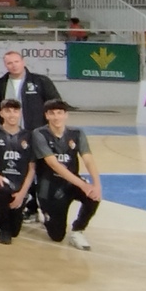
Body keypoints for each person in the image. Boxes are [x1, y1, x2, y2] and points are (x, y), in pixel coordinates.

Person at [32, 99, 101, 250]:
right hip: (50, 186)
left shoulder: (76, 133)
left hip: (71, 183)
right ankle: (47, 214)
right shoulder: (39, 134)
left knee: (93, 196)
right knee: (57, 236)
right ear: (47, 116)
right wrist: (83, 184)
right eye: (52, 113)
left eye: (59, 113)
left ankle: (78, 230)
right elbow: (53, 164)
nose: (56, 117)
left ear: (66, 115)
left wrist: (96, 184)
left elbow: (88, 158)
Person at [0, 99, 37, 244]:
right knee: (3, 190)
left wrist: (23, 193)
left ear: (20, 113)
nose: (12, 114)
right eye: (8, 111)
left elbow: (32, 168)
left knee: (15, 230)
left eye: (15, 111)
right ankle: (3, 230)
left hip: (20, 182)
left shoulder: (29, 136)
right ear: (1, 113)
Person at [0, 50, 60, 132]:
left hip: (36, 133)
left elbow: (56, 105)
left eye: (16, 61)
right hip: (9, 134)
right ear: (5, 65)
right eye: (9, 63)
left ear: (23, 62)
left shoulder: (40, 81)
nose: (14, 65)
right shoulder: (1, 85)